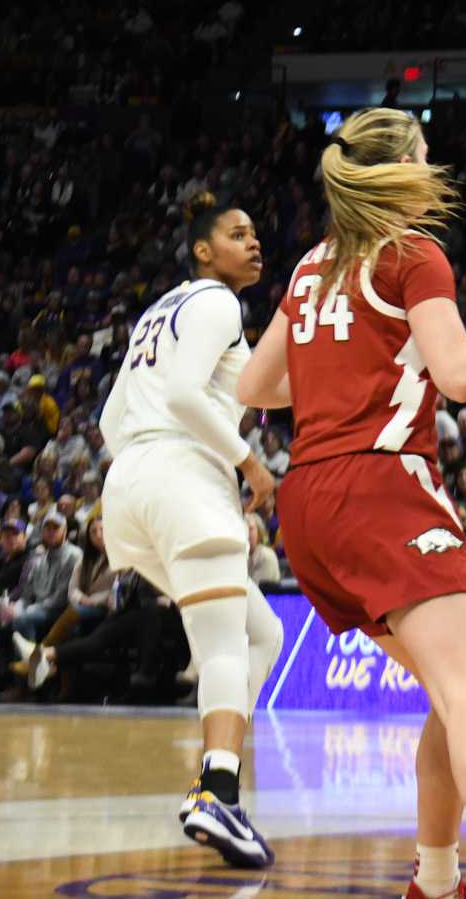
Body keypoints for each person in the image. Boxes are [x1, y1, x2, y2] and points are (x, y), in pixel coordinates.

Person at [236, 107, 466, 899]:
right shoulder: (412, 255)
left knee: (450, 691)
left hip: (309, 505)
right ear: (401, 170)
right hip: (382, 485)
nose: (434, 169)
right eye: (425, 156)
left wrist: (339, 375)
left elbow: (257, 387)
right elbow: (458, 375)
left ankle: (433, 880)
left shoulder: (311, 265)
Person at [90, 197, 282, 867]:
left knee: (262, 633)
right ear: (203, 251)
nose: (253, 242)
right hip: (182, 472)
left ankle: (215, 772)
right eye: (237, 234)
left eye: (256, 233)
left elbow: (115, 417)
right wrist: (251, 464)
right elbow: (183, 396)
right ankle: (219, 793)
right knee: (226, 643)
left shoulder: (162, 311)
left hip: (131, 482)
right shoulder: (217, 303)